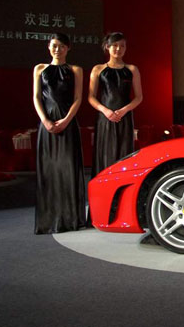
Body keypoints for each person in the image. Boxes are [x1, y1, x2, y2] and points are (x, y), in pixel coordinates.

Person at [32, 33, 86, 234]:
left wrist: (66, 120)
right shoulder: (40, 69)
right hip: (46, 125)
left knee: (68, 169)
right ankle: (50, 219)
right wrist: (45, 120)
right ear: (49, 46)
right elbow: (37, 97)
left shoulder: (76, 70)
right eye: (54, 45)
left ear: (68, 49)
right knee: (49, 170)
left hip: (68, 124)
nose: (58, 49)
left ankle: (70, 219)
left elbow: (78, 98)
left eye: (62, 46)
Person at [88, 32, 142, 177]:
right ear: (107, 47)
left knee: (124, 154)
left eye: (122, 46)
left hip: (125, 117)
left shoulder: (132, 69)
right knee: (105, 153)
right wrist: (105, 111)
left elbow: (139, 97)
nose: (118, 49)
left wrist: (124, 110)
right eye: (115, 45)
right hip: (105, 118)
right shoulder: (98, 69)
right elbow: (91, 97)